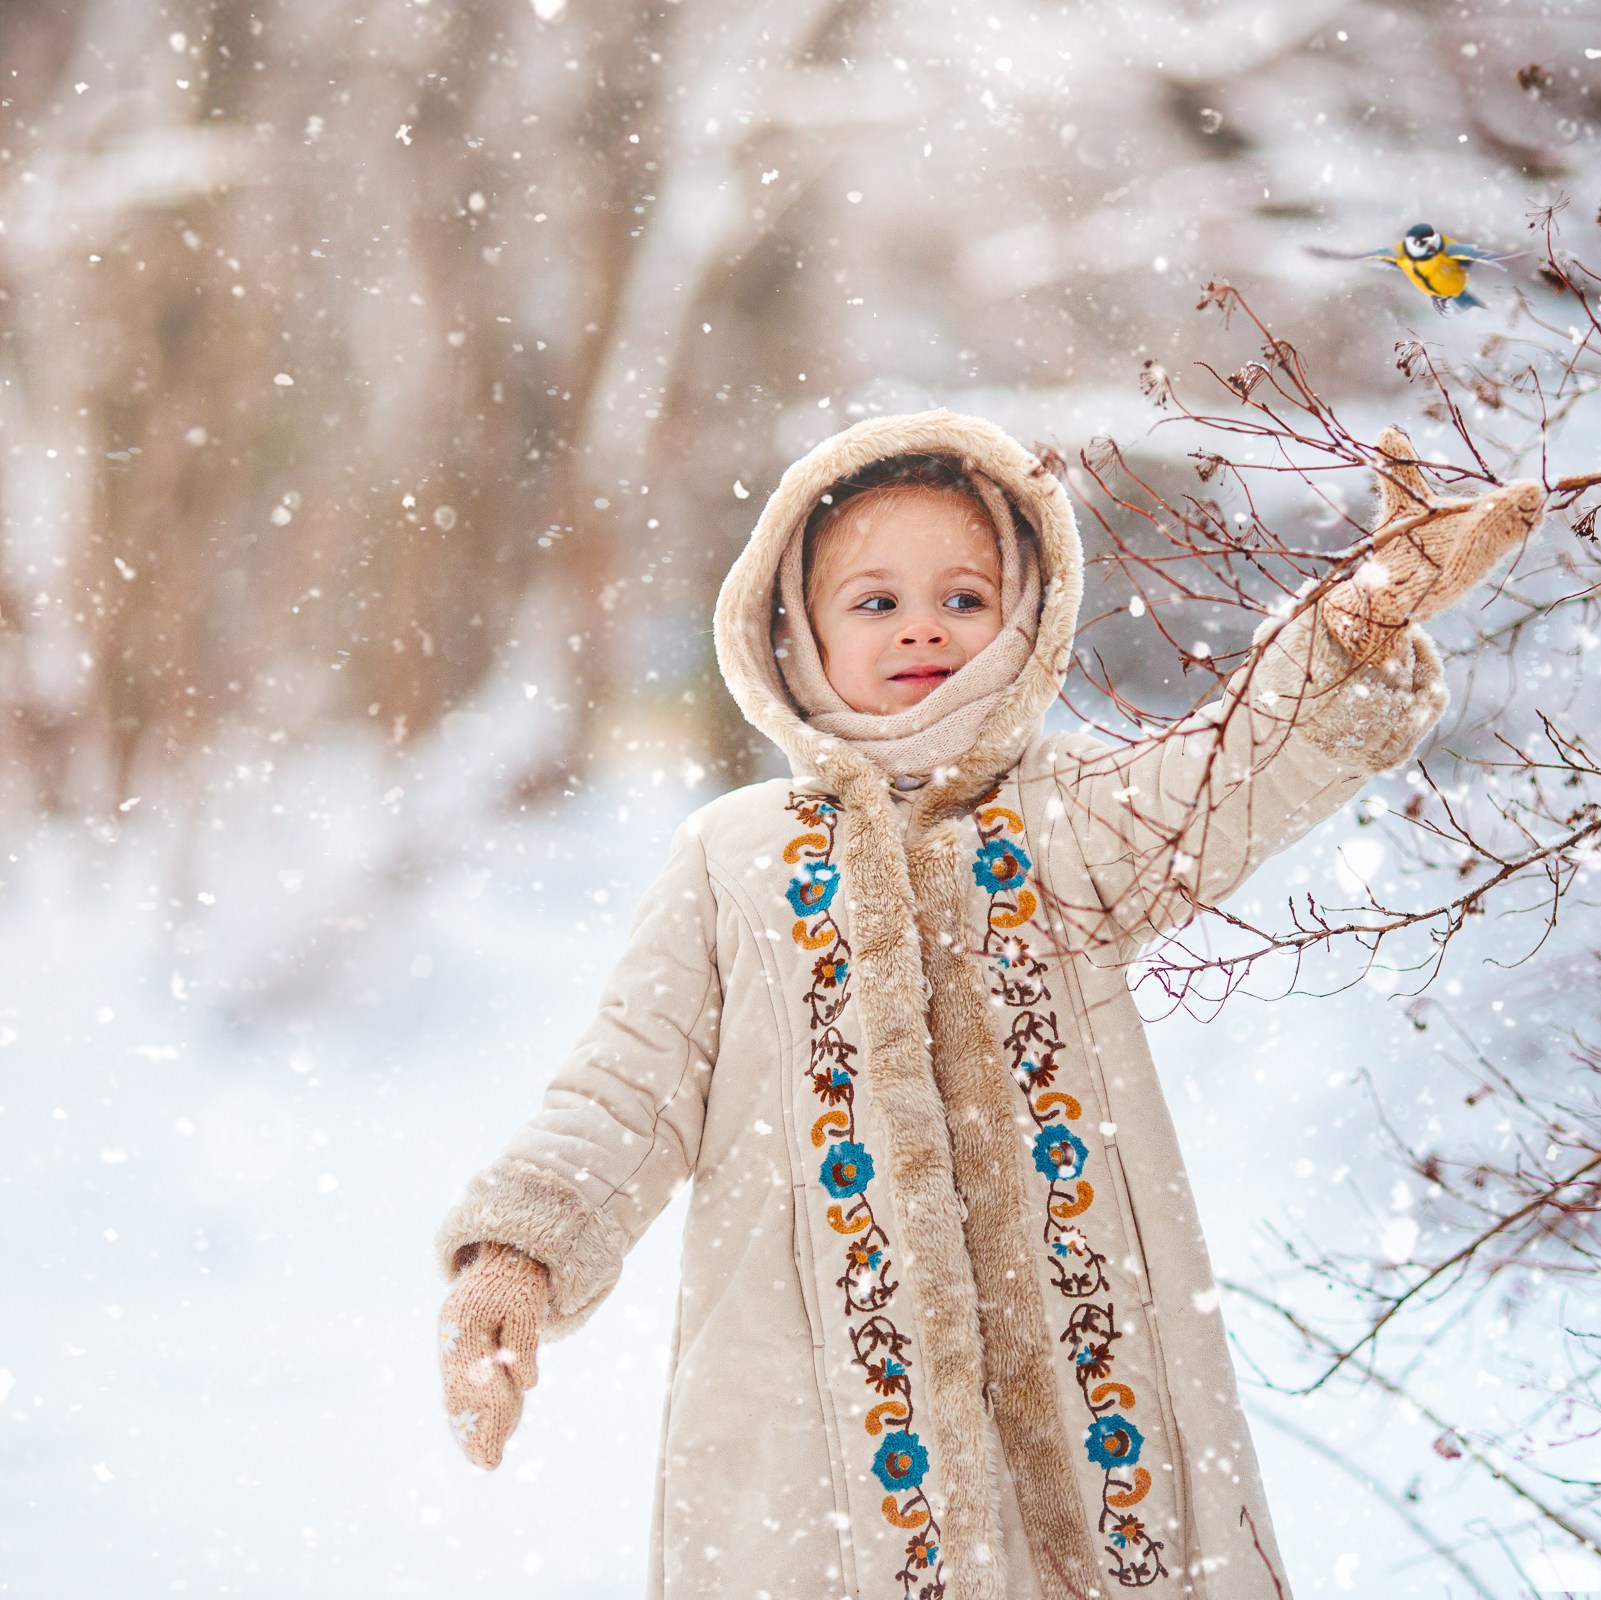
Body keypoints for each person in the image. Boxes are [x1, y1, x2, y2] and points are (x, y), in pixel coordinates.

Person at [431, 408, 1541, 1600]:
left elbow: (1228, 775)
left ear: (1024, 617)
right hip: (819, 1414)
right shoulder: (735, 858)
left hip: (1077, 1382)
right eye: (874, 601)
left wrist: (1358, 620)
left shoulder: (1069, 815)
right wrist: (519, 1252)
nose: (922, 625)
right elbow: (627, 1082)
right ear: (793, 632)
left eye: (964, 598)